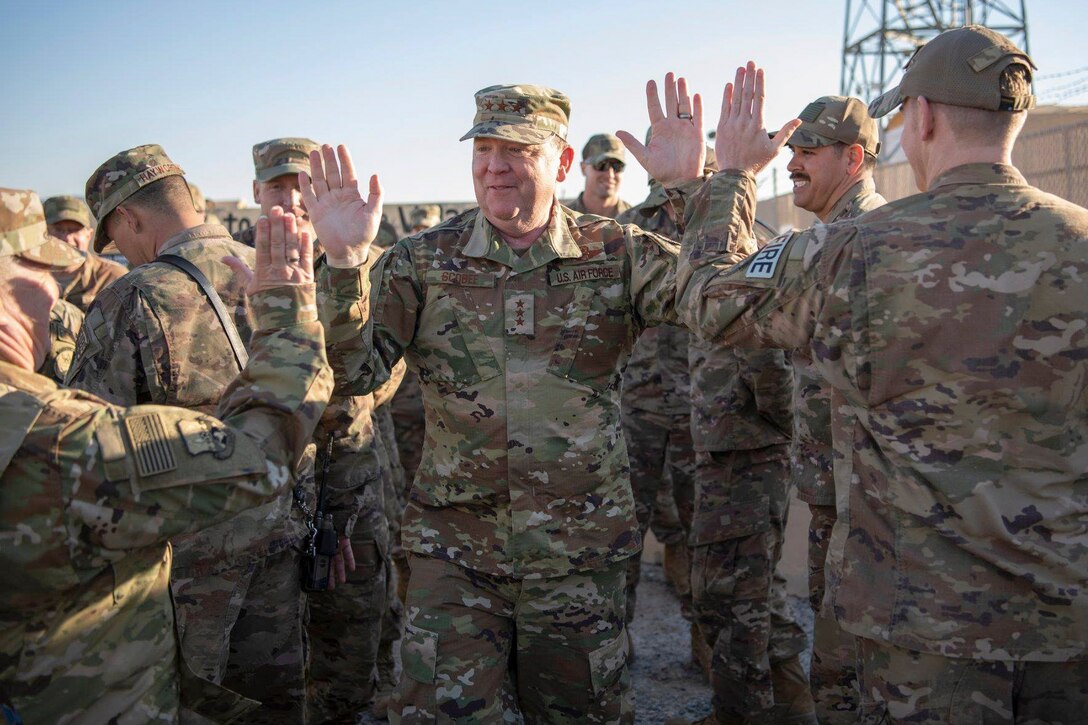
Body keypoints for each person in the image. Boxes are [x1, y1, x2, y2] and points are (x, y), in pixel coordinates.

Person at [625, 25, 1088, 722]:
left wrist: (724, 181)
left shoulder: (860, 249)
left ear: (923, 117)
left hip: (924, 638)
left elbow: (710, 302)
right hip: (1069, 627)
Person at [304, 83, 685, 722]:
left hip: (578, 559)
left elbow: (730, 303)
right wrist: (342, 265)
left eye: (517, 150)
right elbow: (351, 376)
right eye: (483, 148)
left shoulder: (618, 253)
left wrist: (694, 193)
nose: (494, 165)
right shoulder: (424, 261)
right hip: (456, 556)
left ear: (563, 164)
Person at [0, 186, 333, 724]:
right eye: (44, 273)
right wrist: (289, 324)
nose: (55, 293)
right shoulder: (63, 444)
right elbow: (260, 454)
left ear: (127, 218)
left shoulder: (128, 297)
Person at [240, 136, 400, 722]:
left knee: (353, 634)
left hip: (349, 473)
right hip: (268, 487)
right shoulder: (235, 271)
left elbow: (379, 379)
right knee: (266, 653)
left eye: (301, 185)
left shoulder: (366, 261)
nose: (291, 198)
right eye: (277, 185)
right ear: (255, 192)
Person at [781, 95, 887, 722]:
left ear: (853, 159)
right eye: (792, 151)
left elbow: (717, 305)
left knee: (849, 672)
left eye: (808, 152)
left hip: (862, 501)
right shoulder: (827, 236)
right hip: (835, 492)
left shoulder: (856, 240)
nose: (792, 163)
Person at [615, 157, 703, 661]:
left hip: (702, 410)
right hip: (636, 410)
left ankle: (707, 644)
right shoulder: (627, 229)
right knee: (623, 532)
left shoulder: (720, 221)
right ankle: (612, 650)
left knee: (704, 534)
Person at [43, 194, 127, 310]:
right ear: (43, 234)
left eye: (75, 230)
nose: (67, 238)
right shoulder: (24, 277)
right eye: (59, 230)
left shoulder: (112, 277)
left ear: (89, 235)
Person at [566, 133, 631, 217]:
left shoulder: (637, 222)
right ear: (583, 168)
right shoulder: (561, 220)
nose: (610, 175)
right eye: (602, 165)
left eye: (617, 166)